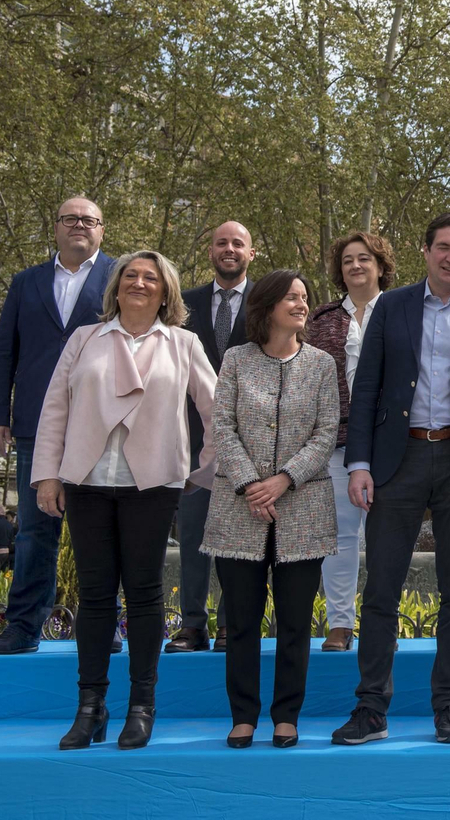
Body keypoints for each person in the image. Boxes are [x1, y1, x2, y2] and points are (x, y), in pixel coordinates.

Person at [331, 213, 450, 748]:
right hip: (399, 460)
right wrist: (359, 463)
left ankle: (449, 707)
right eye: (443, 248)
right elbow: (365, 389)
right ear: (425, 250)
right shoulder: (391, 308)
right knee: (381, 590)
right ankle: (371, 708)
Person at [31, 250, 216, 751]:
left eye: (150, 277)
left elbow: (218, 410)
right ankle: (90, 708)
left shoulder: (183, 343)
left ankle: (142, 706)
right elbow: (54, 407)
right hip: (87, 481)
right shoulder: (84, 339)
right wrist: (47, 474)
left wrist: (201, 472)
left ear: (166, 291)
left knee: (144, 593)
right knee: (94, 597)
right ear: (115, 287)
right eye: (130, 275)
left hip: (153, 484)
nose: (138, 283)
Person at [202, 270, 340, 749]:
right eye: (291, 298)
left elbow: (327, 432)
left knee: (296, 621)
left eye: (305, 297)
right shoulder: (236, 360)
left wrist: (283, 480)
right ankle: (243, 716)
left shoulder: (322, 364)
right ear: (266, 306)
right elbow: (223, 426)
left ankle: (287, 716)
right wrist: (250, 485)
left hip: (303, 507)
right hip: (239, 509)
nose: (301, 305)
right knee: (240, 620)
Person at [0, 196, 115, 654]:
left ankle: (102, 626)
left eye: (88, 220)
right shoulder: (26, 283)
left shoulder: (124, 276)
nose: (79, 225)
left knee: (99, 529)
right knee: (35, 529)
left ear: (102, 229)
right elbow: (4, 352)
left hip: (103, 424)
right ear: (55, 227)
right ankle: (23, 627)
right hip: (37, 424)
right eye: (70, 219)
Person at [167, 221, 256, 653]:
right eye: (222, 242)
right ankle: (192, 624)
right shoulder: (183, 304)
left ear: (250, 254)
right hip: (193, 438)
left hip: (253, 440)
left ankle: (230, 625)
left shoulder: (268, 301)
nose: (229, 249)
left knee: (238, 538)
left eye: (238, 243)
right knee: (193, 534)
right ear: (210, 251)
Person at [306, 231, 396, 652]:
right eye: (347, 261)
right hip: (338, 444)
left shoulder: (402, 313)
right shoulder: (322, 319)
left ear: (381, 265)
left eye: (364, 258)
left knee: (387, 539)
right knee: (340, 537)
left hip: (393, 443)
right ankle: (340, 624)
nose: (356, 266)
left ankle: (383, 623)